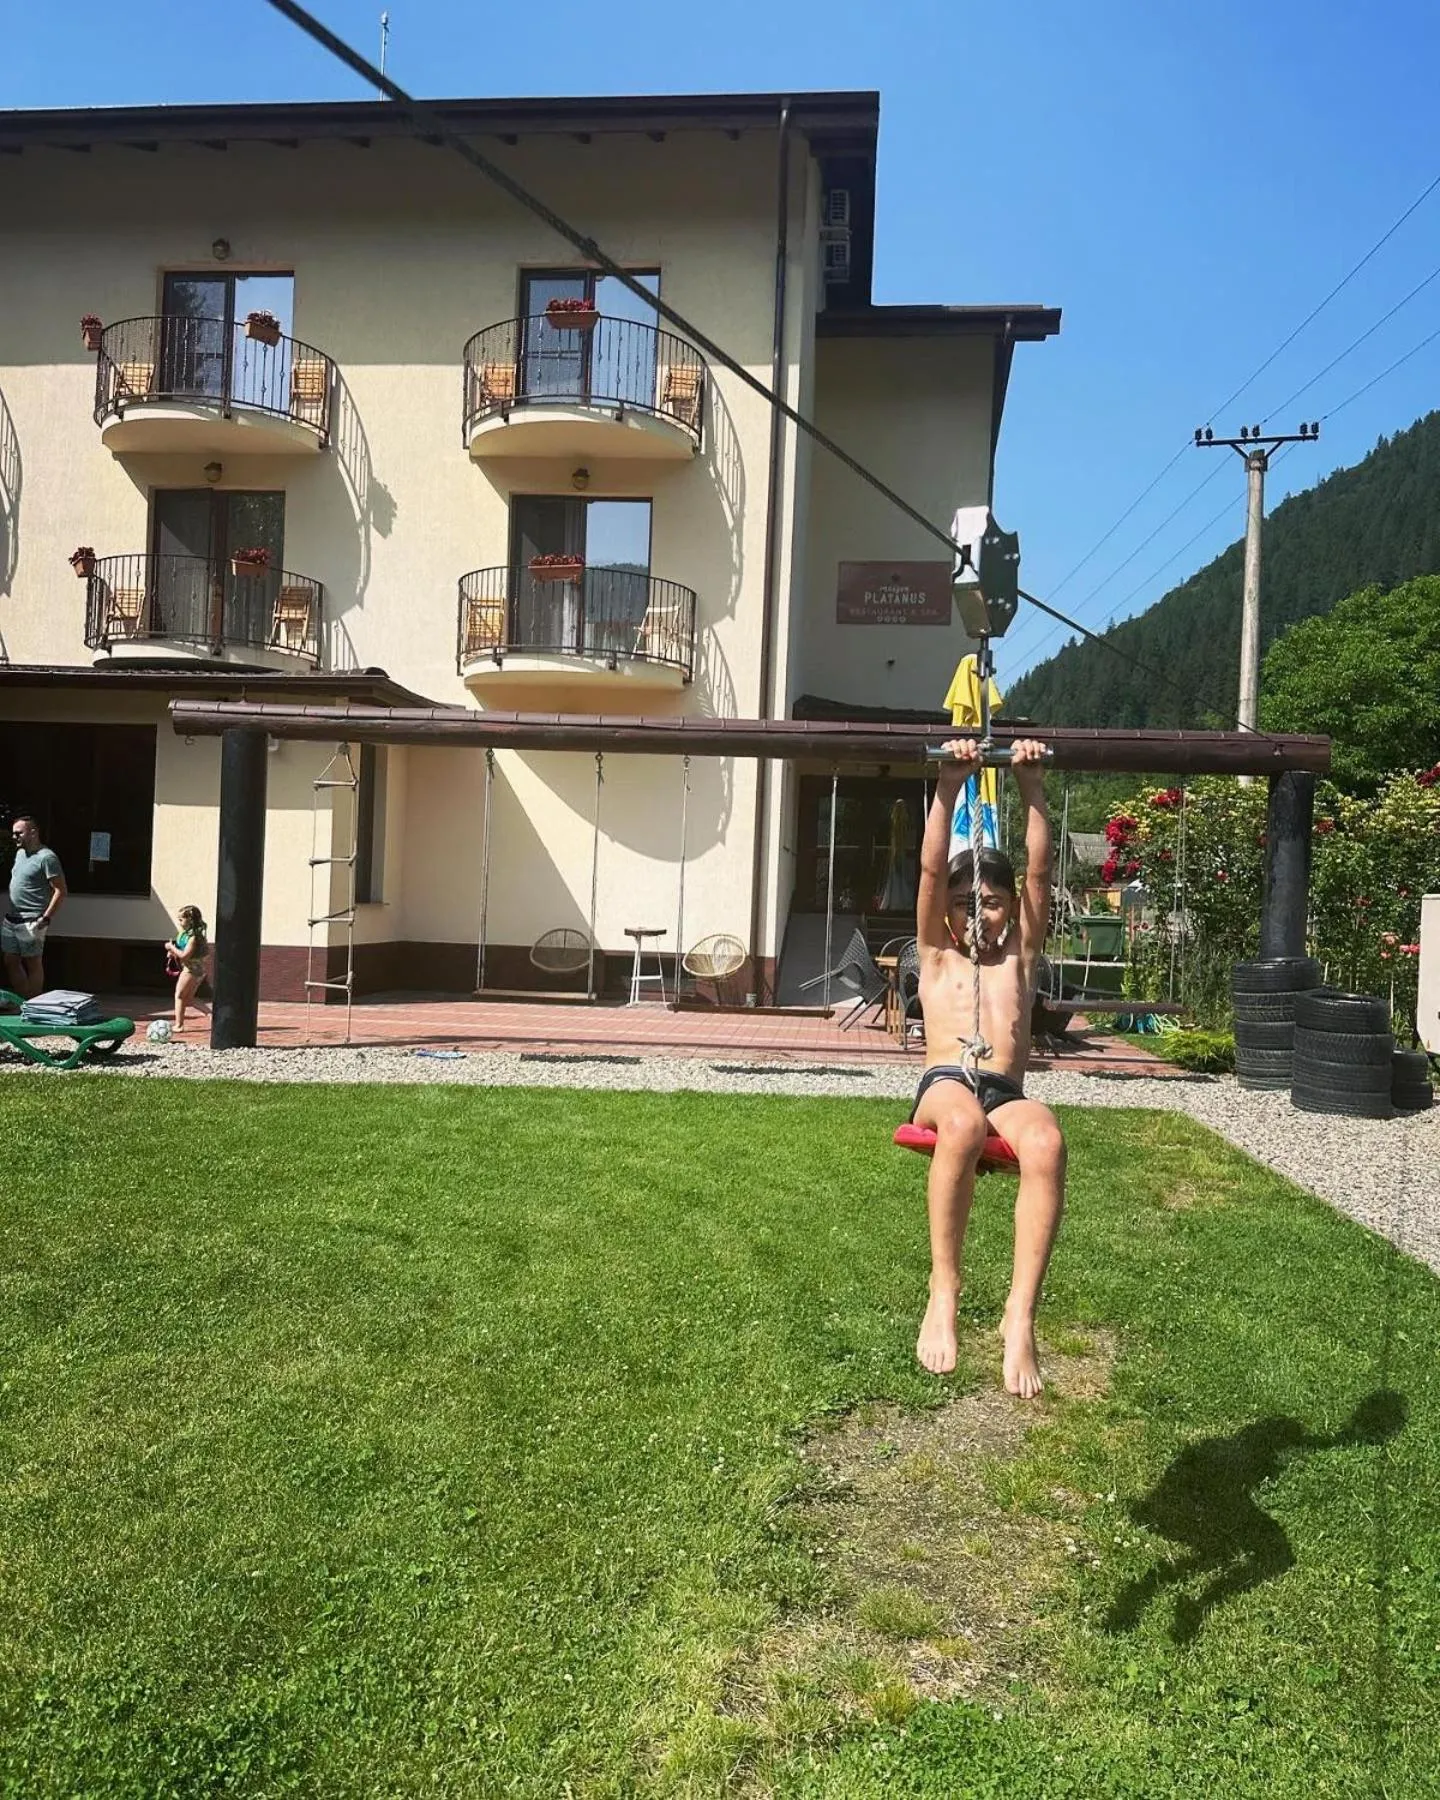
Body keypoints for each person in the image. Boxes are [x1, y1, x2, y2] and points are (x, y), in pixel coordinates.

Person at [911, 738, 1066, 1397]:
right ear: (947, 911)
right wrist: (947, 786)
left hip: (1003, 1089)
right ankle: (943, 1286)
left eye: (993, 900)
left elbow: (1038, 874)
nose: (980, 910)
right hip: (946, 1086)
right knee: (965, 1123)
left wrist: (1031, 788)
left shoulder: (1019, 961)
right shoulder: (937, 956)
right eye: (966, 901)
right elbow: (926, 874)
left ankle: (1019, 1314)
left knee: (1046, 1140)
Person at [3, 816, 67, 1001]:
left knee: (33, 962)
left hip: (33, 919)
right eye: (14, 833)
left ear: (33, 832)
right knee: (10, 960)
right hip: (12, 918)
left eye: (19, 833)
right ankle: (24, 1000)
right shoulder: (20, 854)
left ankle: (34, 1004)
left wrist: (46, 917)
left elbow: (60, 890)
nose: (15, 837)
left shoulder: (47, 858)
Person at [164, 905, 210, 1033]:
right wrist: (172, 952)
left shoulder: (193, 938)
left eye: (181, 919)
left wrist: (171, 948)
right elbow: (180, 951)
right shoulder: (183, 934)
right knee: (189, 998)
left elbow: (184, 956)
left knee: (179, 995)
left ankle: (179, 1025)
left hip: (192, 970)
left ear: (190, 920)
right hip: (193, 969)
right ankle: (211, 1014)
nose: (179, 922)